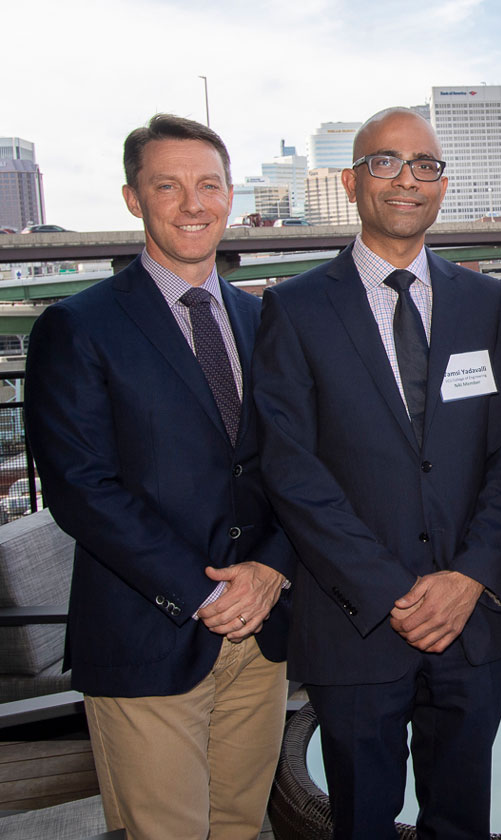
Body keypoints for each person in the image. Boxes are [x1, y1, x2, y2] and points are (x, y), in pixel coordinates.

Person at [252, 107, 501, 839]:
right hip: (359, 626)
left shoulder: (485, 302)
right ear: (350, 182)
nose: (408, 180)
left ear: (442, 185)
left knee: (463, 820)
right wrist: (393, 592)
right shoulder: (295, 307)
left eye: (426, 166)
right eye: (386, 162)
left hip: (469, 624)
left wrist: (470, 575)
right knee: (362, 823)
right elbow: (291, 470)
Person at [24, 113, 294, 839]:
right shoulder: (79, 327)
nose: (192, 203)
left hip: (259, 634)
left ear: (231, 195)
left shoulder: (262, 319)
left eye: (208, 184)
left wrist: (270, 570)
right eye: (167, 185)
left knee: (240, 827)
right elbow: (82, 490)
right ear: (131, 197)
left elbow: (301, 465)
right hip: (149, 633)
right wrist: (205, 590)